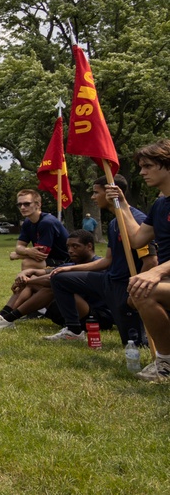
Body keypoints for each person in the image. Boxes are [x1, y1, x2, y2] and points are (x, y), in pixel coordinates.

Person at [45, 175, 156, 342]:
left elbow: (151, 262)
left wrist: (135, 292)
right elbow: (107, 260)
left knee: (135, 343)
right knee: (59, 278)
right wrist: (69, 268)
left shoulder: (136, 221)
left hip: (125, 285)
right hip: (109, 280)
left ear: (111, 193)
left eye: (96, 192)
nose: (93, 197)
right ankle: (74, 331)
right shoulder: (113, 223)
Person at [106, 140, 170, 381]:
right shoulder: (160, 204)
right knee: (138, 293)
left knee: (143, 292)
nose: (142, 172)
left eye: (148, 166)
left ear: (167, 165)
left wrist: (156, 272)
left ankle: (165, 363)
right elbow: (136, 239)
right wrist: (122, 205)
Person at [0, 230, 102, 330]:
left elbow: (55, 278)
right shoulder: (73, 264)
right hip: (69, 312)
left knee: (54, 283)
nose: (70, 251)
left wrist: (28, 281)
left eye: (75, 246)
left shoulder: (98, 264)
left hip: (93, 318)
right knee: (37, 280)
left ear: (89, 246)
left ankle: (9, 319)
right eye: (68, 247)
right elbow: (44, 272)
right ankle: (2, 316)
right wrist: (26, 273)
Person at [11, 189, 69, 269]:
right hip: (49, 259)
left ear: (38, 205)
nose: (22, 207)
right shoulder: (27, 222)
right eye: (19, 205)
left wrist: (17, 255)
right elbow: (19, 246)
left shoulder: (47, 222)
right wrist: (27, 251)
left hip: (65, 261)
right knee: (30, 267)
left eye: (27, 204)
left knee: (28, 263)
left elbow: (40, 255)